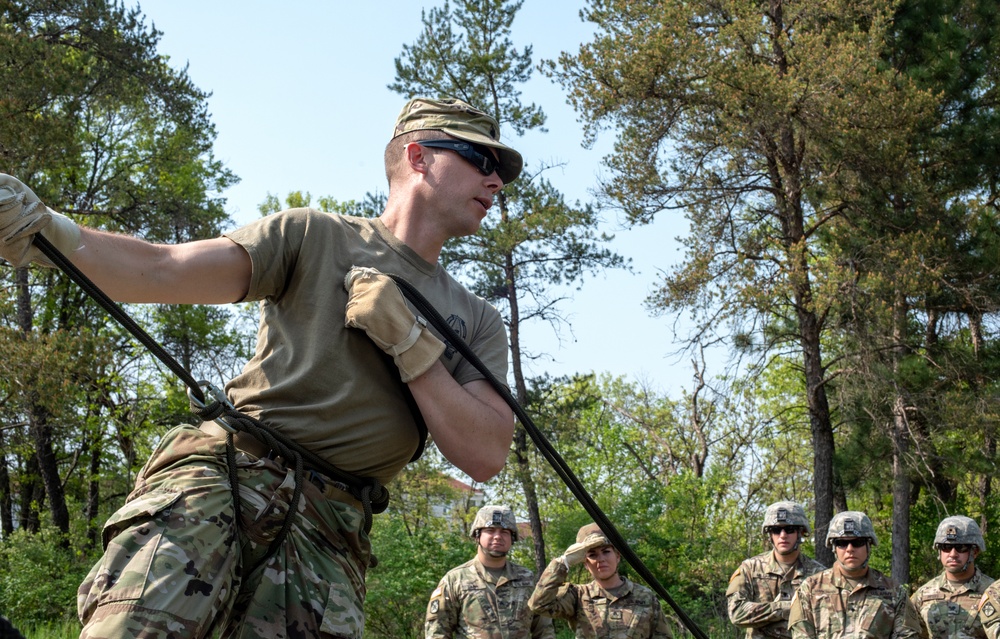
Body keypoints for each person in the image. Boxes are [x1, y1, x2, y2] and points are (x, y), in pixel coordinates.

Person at [0, 96, 522, 638]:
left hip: (331, 535)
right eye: (480, 159)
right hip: (227, 480)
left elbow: (483, 453)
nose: (495, 181)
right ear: (418, 156)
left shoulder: (477, 321)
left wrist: (411, 345)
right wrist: (46, 231)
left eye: (500, 172)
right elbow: (161, 269)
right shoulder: (313, 235)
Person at [424, 504, 554, 639]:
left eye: (504, 531)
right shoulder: (455, 580)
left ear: (512, 538)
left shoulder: (527, 579)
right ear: (477, 535)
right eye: (491, 530)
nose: (497, 536)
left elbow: (544, 631)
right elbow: (437, 632)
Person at [527, 522, 677, 638]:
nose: (601, 560)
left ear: (617, 556)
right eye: (592, 555)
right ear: (585, 563)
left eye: (606, 552)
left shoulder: (645, 597)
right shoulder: (578, 596)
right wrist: (562, 563)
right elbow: (538, 605)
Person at [788, 510, 922, 638]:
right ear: (834, 547)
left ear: (869, 545)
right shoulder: (810, 589)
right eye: (842, 543)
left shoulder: (894, 592)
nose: (850, 549)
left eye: (857, 542)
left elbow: (906, 635)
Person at [726, 500, 826, 639]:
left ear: (801, 532)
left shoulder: (819, 575)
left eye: (789, 529)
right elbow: (736, 612)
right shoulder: (750, 569)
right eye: (776, 530)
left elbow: (827, 620)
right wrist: (783, 608)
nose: (783, 535)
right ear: (770, 534)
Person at [911, 515, 994, 638]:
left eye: (961, 548)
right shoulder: (923, 595)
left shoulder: (993, 593)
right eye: (946, 547)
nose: (953, 554)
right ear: (939, 551)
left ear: (974, 551)